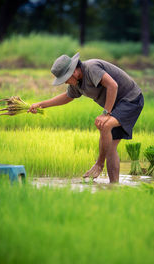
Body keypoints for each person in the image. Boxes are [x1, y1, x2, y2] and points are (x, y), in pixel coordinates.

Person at [28, 52, 143, 183]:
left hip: (131, 99)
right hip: (117, 105)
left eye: (65, 78)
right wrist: (41, 105)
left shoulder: (91, 68)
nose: (65, 82)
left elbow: (113, 85)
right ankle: (114, 187)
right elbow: (67, 97)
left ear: (74, 71)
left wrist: (106, 113)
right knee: (110, 147)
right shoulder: (76, 83)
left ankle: (99, 164)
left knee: (105, 125)